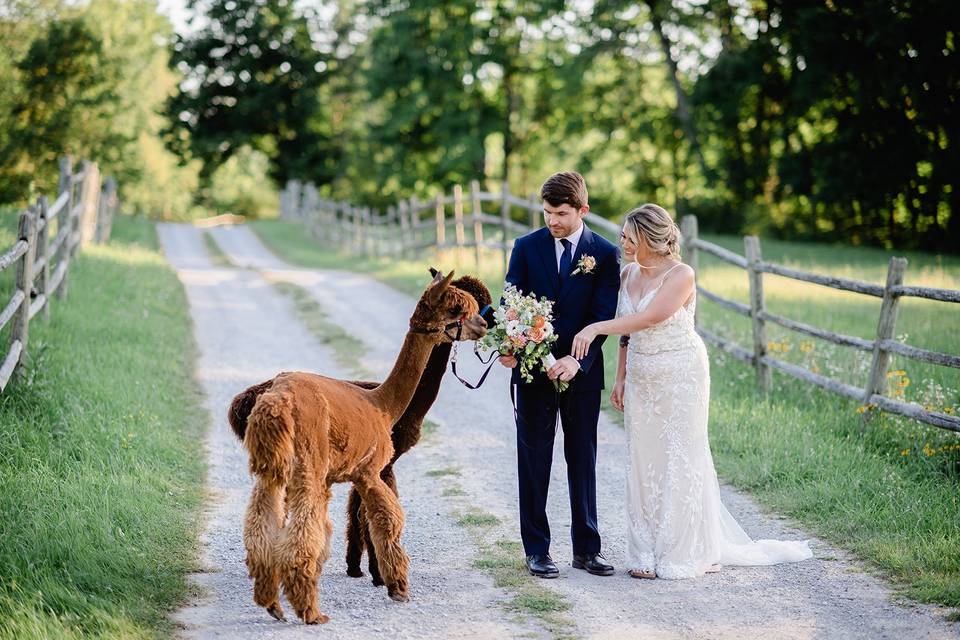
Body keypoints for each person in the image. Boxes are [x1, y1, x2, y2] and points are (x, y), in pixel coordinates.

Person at [572, 203, 813, 579]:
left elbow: (651, 318)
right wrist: (620, 378)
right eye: (622, 236)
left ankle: (681, 551)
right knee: (643, 461)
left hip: (682, 375)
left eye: (629, 238)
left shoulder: (681, 274)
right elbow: (628, 336)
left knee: (680, 457)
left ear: (650, 240)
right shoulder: (628, 273)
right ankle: (645, 552)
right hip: (642, 376)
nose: (623, 243)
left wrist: (594, 328)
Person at [499, 171, 620, 578]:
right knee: (534, 460)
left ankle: (587, 549)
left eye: (562, 213)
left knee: (582, 460)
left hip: (583, 376)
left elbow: (604, 316)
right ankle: (537, 550)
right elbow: (511, 305)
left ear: (582, 210)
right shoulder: (526, 247)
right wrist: (515, 349)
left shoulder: (603, 254)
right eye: (548, 212)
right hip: (534, 374)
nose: (552, 221)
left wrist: (576, 361)